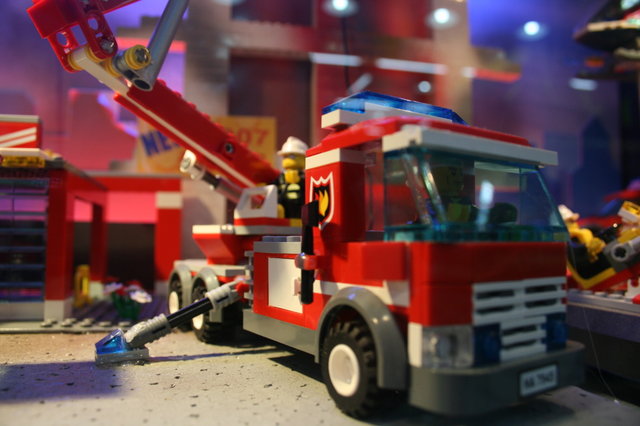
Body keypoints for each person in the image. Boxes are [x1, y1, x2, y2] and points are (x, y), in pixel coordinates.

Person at [275, 136, 308, 219]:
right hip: (285, 208)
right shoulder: (282, 176)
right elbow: (275, 185)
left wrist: (300, 181)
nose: (287, 160)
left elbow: (309, 189)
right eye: (285, 157)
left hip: (299, 208)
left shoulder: (305, 176)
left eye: (292, 156)